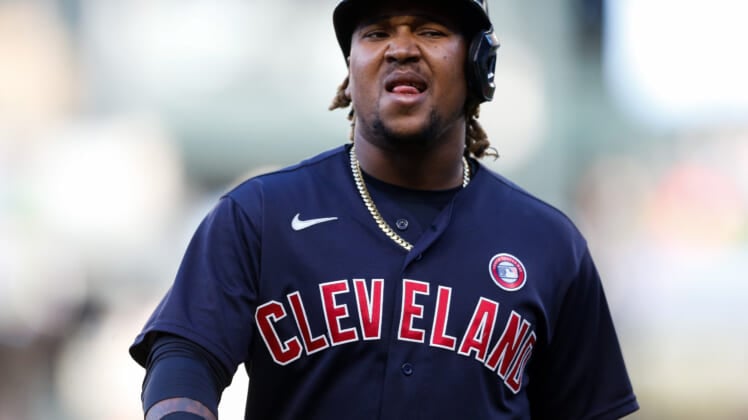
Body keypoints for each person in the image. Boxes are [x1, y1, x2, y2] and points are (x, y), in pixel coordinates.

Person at [129, 0, 640, 418]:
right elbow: (185, 356)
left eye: (430, 30)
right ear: (351, 69)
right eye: (376, 33)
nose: (401, 48)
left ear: (478, 64)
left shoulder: (549, 242)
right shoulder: (260, 214)